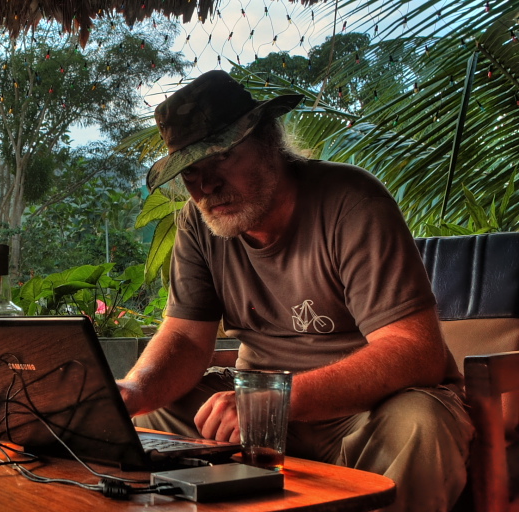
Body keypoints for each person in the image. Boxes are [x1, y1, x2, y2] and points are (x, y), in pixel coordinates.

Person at [117, 70, 474, 511]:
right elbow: (186, 338)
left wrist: (275, 401)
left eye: (221, 158)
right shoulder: (197, 222)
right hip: (257, 417)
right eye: (190, 171)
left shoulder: (352, 202)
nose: (206, 186)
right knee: (151, 413)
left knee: (423, 424)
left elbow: (414, 349)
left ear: (269, 139)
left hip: (366, 417)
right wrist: (132, 390)